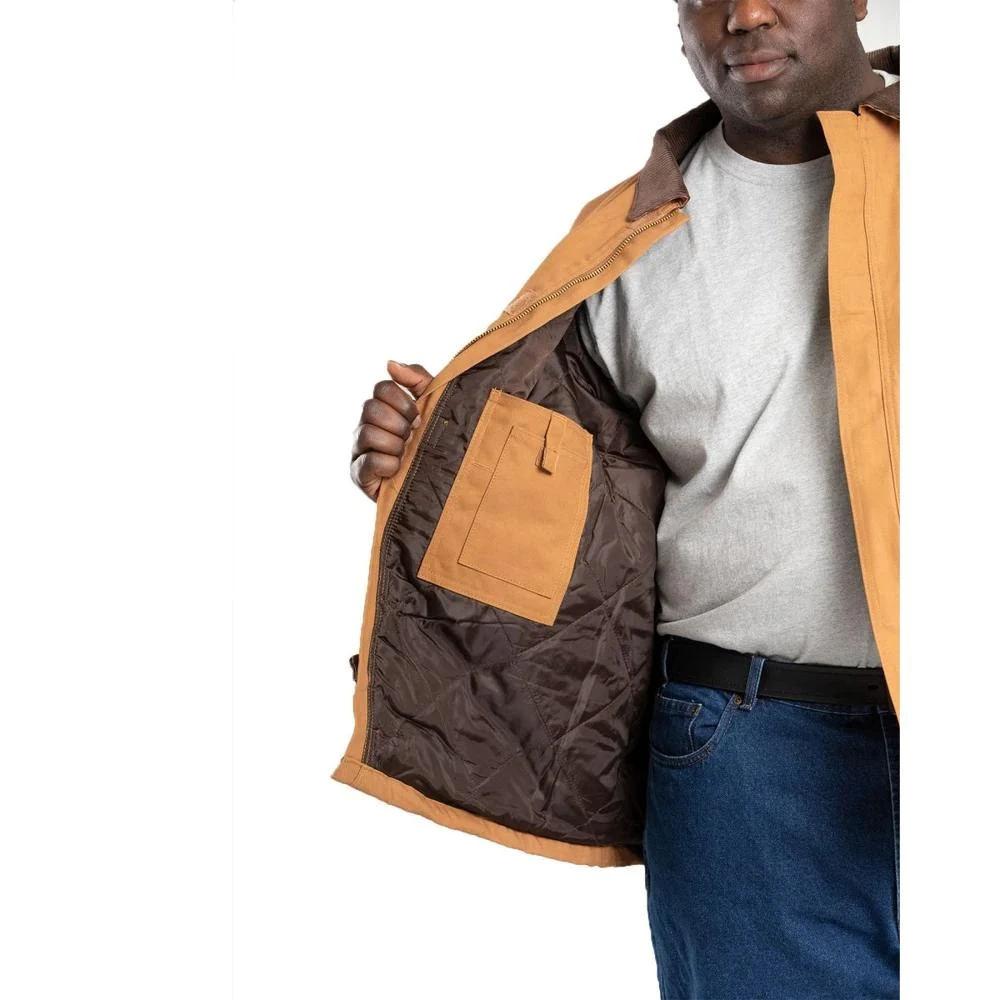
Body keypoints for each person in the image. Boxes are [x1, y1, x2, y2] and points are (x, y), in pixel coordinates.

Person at [346, 2, 898, 997]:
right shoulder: (627, 239)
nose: (743, 13)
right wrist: (425, 451)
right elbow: (565, 485)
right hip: (746, 750)